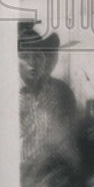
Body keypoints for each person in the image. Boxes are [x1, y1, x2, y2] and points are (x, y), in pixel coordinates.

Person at [19, 23, 79, 173]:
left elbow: (72, 135)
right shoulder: (6, 97)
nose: (32, 62)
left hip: (56, 174)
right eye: (25, 56)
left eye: (37, 55)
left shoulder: (61, 92)